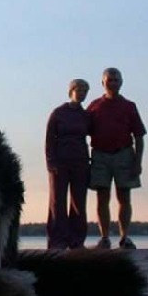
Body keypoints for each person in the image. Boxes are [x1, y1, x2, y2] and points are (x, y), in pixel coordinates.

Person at [87, 68, 146, 250]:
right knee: (102, 197)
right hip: (100, 155)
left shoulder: (129, 106)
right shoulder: (94, 106)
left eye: (116, 80)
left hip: (124, 154)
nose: (113, 83)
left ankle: (124, 237)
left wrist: (138, 162)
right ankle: (104, 237)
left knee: (124, 197)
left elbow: (139, 136)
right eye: (109, 80)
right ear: (103, 82)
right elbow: (82, 132)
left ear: (121, 82)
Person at [44, 78, 92, 249]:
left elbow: (96, 137)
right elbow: (49, 139)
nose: (82, 94)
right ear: (71, 91)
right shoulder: (58, 113)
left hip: (80, 162)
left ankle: (77, 240)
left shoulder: (86, 115)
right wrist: (51, 162)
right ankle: (57, 240)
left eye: (85, 91)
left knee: (79, 202)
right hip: (60, 162)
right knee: (57, 201)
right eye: (79, 90)